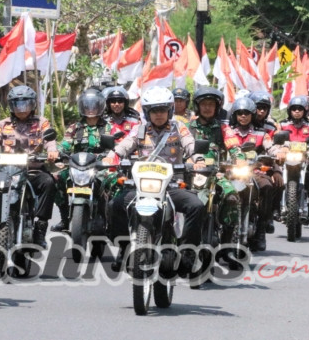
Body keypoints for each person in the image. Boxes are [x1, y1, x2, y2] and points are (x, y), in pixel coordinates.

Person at [107, 86, 205, 273]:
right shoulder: (140, 129)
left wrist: (198, 160)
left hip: (172, 184)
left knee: (196, 206)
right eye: (154, 111)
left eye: (162, 110)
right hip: (143, 185)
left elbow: (190, 144)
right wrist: (111, 156)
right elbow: (125, 145)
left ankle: (187, 253)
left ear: (169, 111)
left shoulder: (179, 128)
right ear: (147, 112)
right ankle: (125, 247)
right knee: (115, 204)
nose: (159, 115)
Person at [0, 85, 59, 248]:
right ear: (11, 106)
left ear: (33, 105)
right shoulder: (3, 124)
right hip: (6, 171)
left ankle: (40, 229)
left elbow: (50, 141)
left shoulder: (41, 123)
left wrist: (52, 151)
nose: (21, 108)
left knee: (49, 183)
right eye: (17, 104)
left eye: (25, 104)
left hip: (32, 170)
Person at [51, 88, 112, 232]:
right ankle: (65, 218)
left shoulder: (109, 127)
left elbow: (117, 146)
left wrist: (110, 158)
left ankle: (106, 218)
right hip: (77, 166)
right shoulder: (75, 127)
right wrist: (57, 153)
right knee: (58, 179)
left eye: (94, 106)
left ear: (101, 107)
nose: (91, 109)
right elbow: (64, 144)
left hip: (100, 167)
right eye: (87, 106)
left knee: (110, 183)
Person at [223, 96, 279, 251]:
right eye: (240, 112)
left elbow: (271, 146)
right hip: (231, 173)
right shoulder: (228, 132)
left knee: (267, 186)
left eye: (246, 113)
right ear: (234, 114)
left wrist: (279, 152)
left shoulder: (261, 133)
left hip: (254, 172)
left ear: (252, 115)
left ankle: (261, 228)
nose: (243, 116)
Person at [277, 96, 309, 221]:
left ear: (305, 111)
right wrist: (281, 149)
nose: (297, 111)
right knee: (275, 178)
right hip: (286, 159)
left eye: (300, 109)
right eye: (294, 109)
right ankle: (276, 208)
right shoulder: (282, 124)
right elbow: (276, 138)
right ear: (290, 110)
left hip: (305, 159)